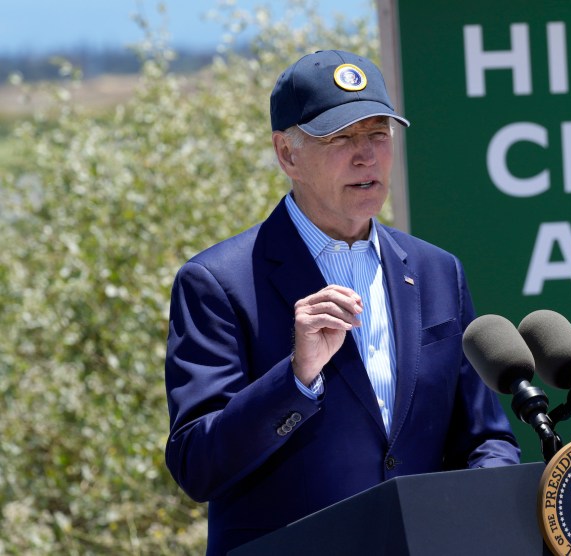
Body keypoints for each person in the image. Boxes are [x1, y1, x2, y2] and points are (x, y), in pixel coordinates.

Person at [164, 49, 520, 555]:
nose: (366, 156)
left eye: (378, 134)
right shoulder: (216, 282)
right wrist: (296, 378)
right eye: (341, 138)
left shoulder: (438, 271)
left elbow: (486, 438)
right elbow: (197, 465)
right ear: (287, 153)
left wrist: (479, 508)